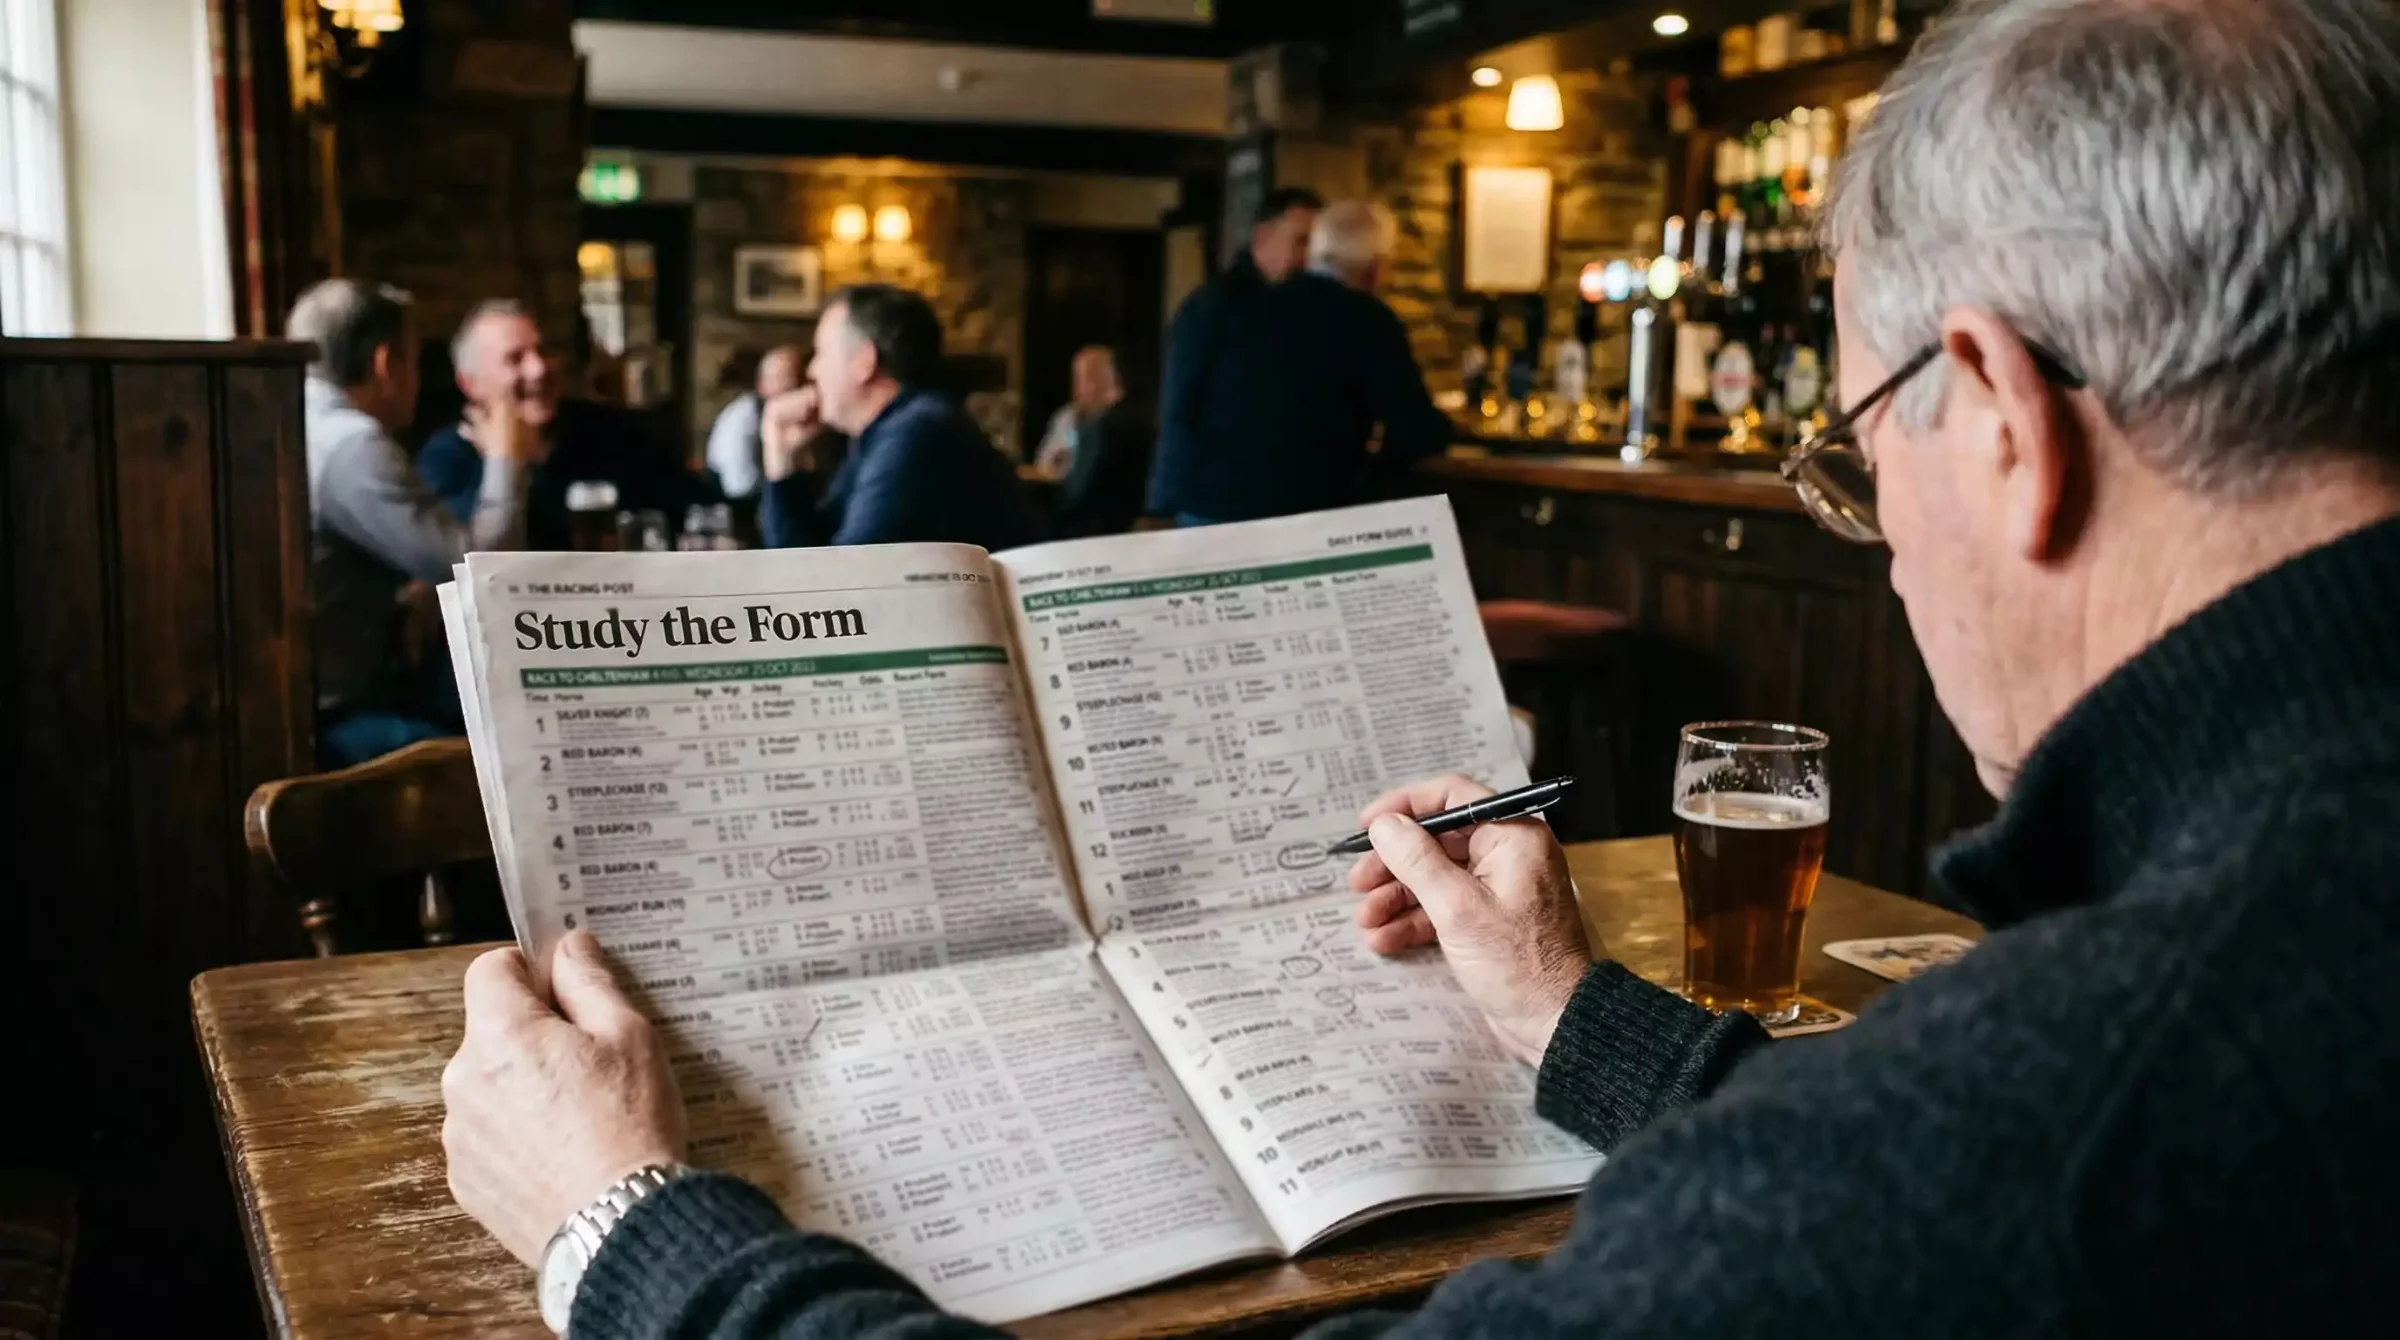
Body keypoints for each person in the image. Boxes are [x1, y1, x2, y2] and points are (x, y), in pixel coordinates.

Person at [442, 0, 2400, 1333]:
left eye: (1855, 441)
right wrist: (1573, 1019)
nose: (1874, 528)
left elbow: (1947, 1172)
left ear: (1994, 414)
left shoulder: (2040, 1129)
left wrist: (630, 1229)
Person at [287, 279, 532, 767]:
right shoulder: (351, 444)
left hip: (310, 700)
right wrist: (508, 458)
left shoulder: (295, 415)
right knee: (509, 760)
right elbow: (478, 569)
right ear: (385, 364)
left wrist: (410, 597)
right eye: (415, 361)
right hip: (331, 721)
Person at [1150, 199, 1449, 526]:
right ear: (1376, 266)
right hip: (1302, 511)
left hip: (1209, 503)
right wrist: (1371, 475)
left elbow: (1183, 405)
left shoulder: (1239, 305)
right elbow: (1417, 429)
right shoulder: (1367, 319)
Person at [752, 284, 1039, 551]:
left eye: (821, 353)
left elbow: (841, 585)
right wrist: (782, 461)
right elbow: (809, 563)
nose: (812, 371)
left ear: (864, 362)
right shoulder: (889, 429)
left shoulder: (918, 433)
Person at [418, 300, 694, 550]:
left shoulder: (607, 428)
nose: (539, 369)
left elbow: (694, 508)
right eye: (515, 358)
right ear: (470, 384)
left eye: (544, 351)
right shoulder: (445, 460)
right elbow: (471, 562)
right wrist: (506, 462)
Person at [1033, 345, 1155, 537]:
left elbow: (1079, 498)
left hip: (1095, 537)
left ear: (1096, 380)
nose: (1077, 392)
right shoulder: (1144, 418)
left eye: (1079, 381)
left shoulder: (1103, 429)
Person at [703, 344, 803, 501]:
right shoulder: (743, 421)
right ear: (762, 386)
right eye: (784, 378)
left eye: (799, 378)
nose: (793, 386)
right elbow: (741, 489)